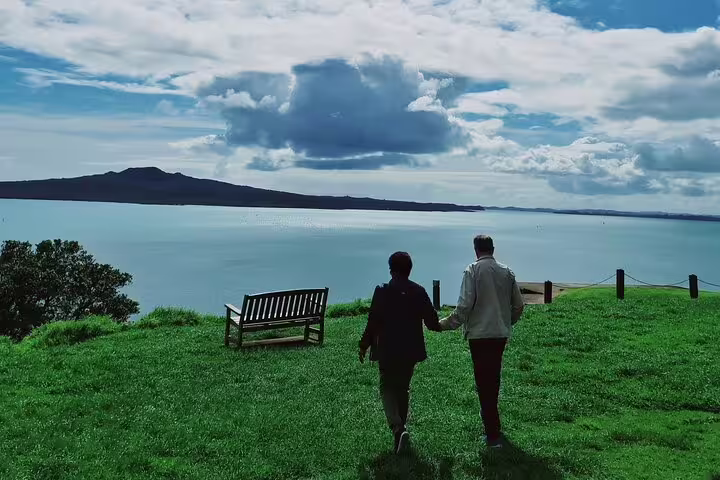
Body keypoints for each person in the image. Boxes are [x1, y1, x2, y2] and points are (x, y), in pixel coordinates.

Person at [439, 235, 524, 448]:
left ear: (476, 250)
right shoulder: (507, 272)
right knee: (493, 380)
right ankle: (493, 427)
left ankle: (492, 434)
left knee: (484, 382)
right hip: (499, 334)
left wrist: (443, 324)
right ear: (493, 249)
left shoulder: (472, 271)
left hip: (479, 335)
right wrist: (506, 323)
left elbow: (464, 306)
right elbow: (518, 306)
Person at [358, 251, 442, 454]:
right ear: (409, 269)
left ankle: (397, 428)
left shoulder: (382, 291)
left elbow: (373, 321)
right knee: (402, 387)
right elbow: (432, 322)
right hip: (411, 350)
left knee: (387, 386)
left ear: (391, 270)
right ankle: (401, 433)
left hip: (387, 349)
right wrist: (450, 323)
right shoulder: (419, 291)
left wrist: (364, 344)